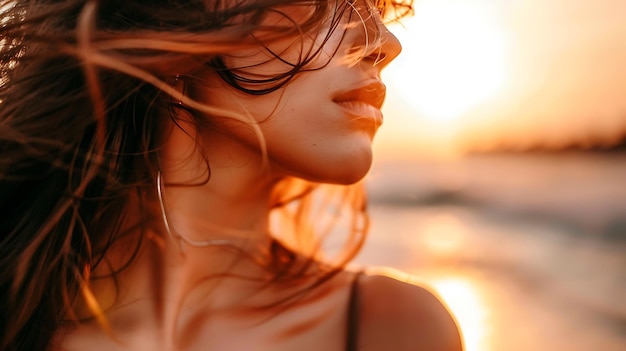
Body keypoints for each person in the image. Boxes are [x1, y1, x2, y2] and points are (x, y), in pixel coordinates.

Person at [0, 0, 463, 350]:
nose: (385, 43)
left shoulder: (391, 329)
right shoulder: (16, 307)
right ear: (166, 17)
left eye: (372, 6)